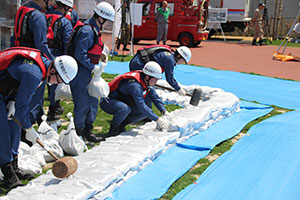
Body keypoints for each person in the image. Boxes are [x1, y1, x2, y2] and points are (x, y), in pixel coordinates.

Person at [0, 47, 78, 189]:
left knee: (14, 126)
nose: (56, 84)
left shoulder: (43, 68)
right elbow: (22, 109)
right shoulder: (34, 74)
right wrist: (29, 129)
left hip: (5, 88)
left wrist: (12, 100)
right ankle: (7, 173)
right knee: (3, 130)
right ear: (53, 71)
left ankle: (14, 166)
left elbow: (16, 81)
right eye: (58, 81)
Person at [66, 2, 115, 143]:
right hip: (81, 72)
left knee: (93, 100)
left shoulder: (94, 29)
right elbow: (80, 53)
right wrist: (92, 67)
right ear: (101, 18)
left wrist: (99, 55)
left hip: (87, 71)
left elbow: (91, 48)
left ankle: (88, 129)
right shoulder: (87, 31)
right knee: (82, 102)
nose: (107, 24)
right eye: (107, 21)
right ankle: (79, 131)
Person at [100, 61, 170, 137]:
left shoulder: (146, 81)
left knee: (144, 113)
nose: (156, 82)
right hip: (108, 101)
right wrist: (157, 119)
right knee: (124, 109)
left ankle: (122, 124)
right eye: (155, 79)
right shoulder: (135, 85)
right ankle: (113, 129)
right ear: (147, 77)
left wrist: (164, 111)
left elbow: (155, 97)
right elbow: (141, 105)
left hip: (122, 101)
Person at [46, 0, 73, 121]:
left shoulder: (44, 17)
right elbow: (67, 42)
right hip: (57, 55)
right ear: (67, 8)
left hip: (44, 55)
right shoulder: (65, 22)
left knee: (45, 82)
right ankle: (53, 109)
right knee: (55, 83)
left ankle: (52, 106)